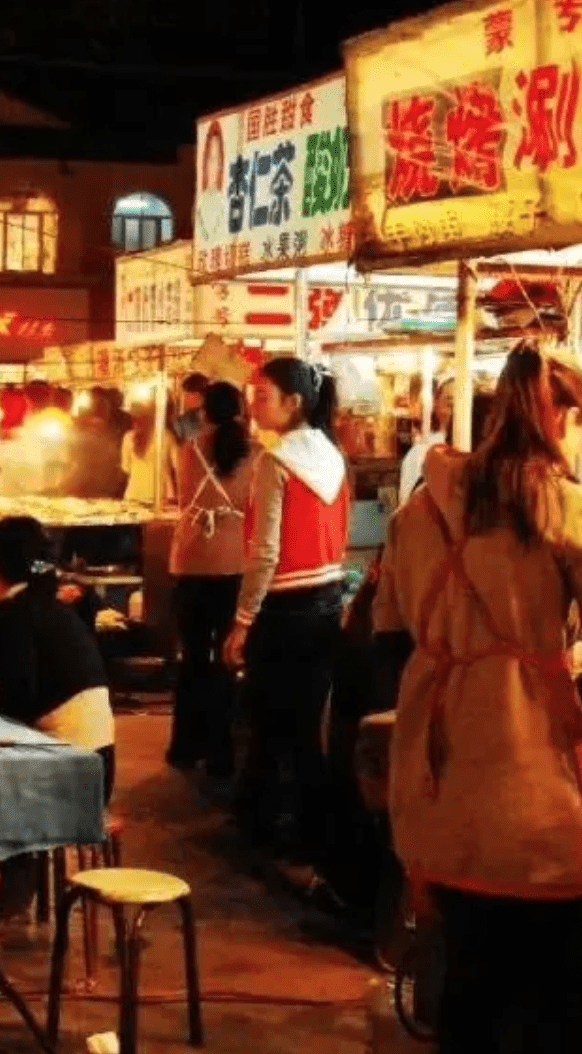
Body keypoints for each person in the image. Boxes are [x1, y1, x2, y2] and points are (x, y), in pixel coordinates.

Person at [374, 342, 582, 1054]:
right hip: (527, 777)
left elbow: (383, 642)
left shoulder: (417, 514)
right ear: (559, 413)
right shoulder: (557, 502)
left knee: (466, 976)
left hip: (435, 776)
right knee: (549, 992)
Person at [225, 357, 350, 860]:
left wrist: (242, 621)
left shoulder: (276, 462)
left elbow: (265, 550)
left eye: (262, 396)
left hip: (283, 608)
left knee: (268, 722)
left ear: (293, 402)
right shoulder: (331, 455)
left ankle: (261, 827)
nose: (253, 406)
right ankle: (310, 833)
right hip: (326, 601)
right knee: (307, 726)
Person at [0, 516, 116, 791]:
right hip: (99, 759)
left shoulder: (15, 613)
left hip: (69, 767)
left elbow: (18, 696)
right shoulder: (40, 602)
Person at [166, 382, 254, 776]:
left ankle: (185, 746)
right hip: (235, 563)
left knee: (193, 657)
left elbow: (185, 500)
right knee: (227, 659)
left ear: (205, 412)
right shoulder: (258, 454)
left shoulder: (190, 449)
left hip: (191, 561)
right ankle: (221, 753)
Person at [119, 405, 161, 506]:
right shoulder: (165, 436)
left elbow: (126, 468)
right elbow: (178, 466)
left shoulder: (128, 438)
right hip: (160, 496)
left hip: (134, 495)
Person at [170, 373, 210, 445]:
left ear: (196, 394)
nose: (184, 398)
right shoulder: (183, 420)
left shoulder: (185, 421)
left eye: (186, 394)